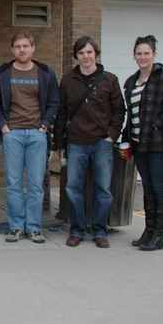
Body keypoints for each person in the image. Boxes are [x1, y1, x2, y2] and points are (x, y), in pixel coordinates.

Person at [54, 37, 125, 248]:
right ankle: (77, 230)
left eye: (89, 52)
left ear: (96, 53)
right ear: (76, 56)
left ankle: (99, 230)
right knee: (73, 187)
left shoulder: (109, 79)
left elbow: (119, 110)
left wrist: (111, 135)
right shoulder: (68, 80)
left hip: (102, 143)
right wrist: (59, 143)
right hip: (76, 142)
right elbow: (62, 112)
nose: (86, 56)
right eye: (81, 53)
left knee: (104, 189)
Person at [0, 31, 59, 244]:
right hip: (13, 134)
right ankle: (17, 227)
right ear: (12, 50)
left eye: (25, 46)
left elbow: (54, 103)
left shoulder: (45, 73)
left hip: (38, 134)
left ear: (32, 48)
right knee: (13, 183)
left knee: (36, 184)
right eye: (18, 46)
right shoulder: (2, 73)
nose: (22, 49)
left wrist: (45, 125)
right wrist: (4, 127)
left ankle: (34, 228)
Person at [121, 35, 163, 251]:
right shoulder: (131, 82)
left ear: (154, 55)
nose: (142, 57)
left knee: (159, 188)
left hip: (160, 144)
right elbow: (132, 115)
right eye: (139, 54)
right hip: (140, 145)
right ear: (134, 56)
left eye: (146, 53)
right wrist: (126, 138)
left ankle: (159, 236)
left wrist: (159, 123)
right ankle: (148, 231)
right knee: (147, 189)